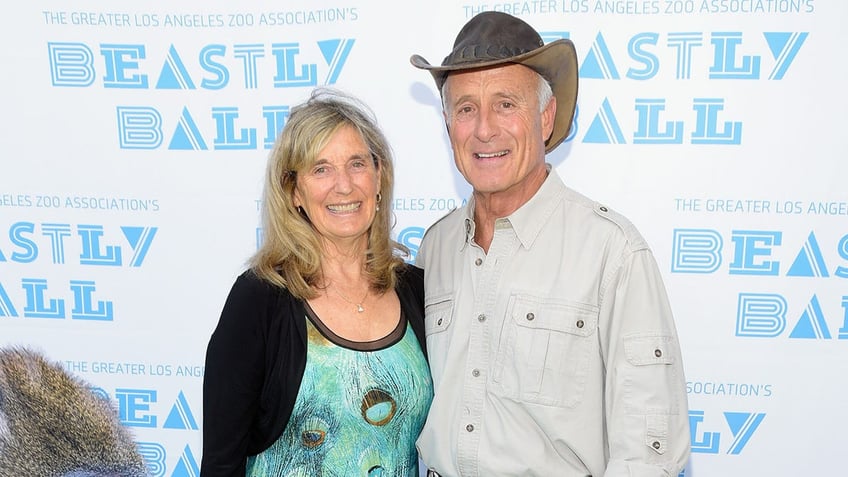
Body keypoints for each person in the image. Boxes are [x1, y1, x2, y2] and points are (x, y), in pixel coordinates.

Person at [410, 11, 690, 476]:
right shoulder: (435, 248)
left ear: (545, 117)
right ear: (447, 124)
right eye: (465, 109)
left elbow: (649, 454)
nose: (484, 130)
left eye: (505, 104)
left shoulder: (612, 253)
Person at [200, 88, 433, 476]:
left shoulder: (417, 290)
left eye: (357, 163)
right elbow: (221, 464)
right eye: (321, 169)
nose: (343, 185)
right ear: (294, 192)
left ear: (379, 177)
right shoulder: (259, 300)